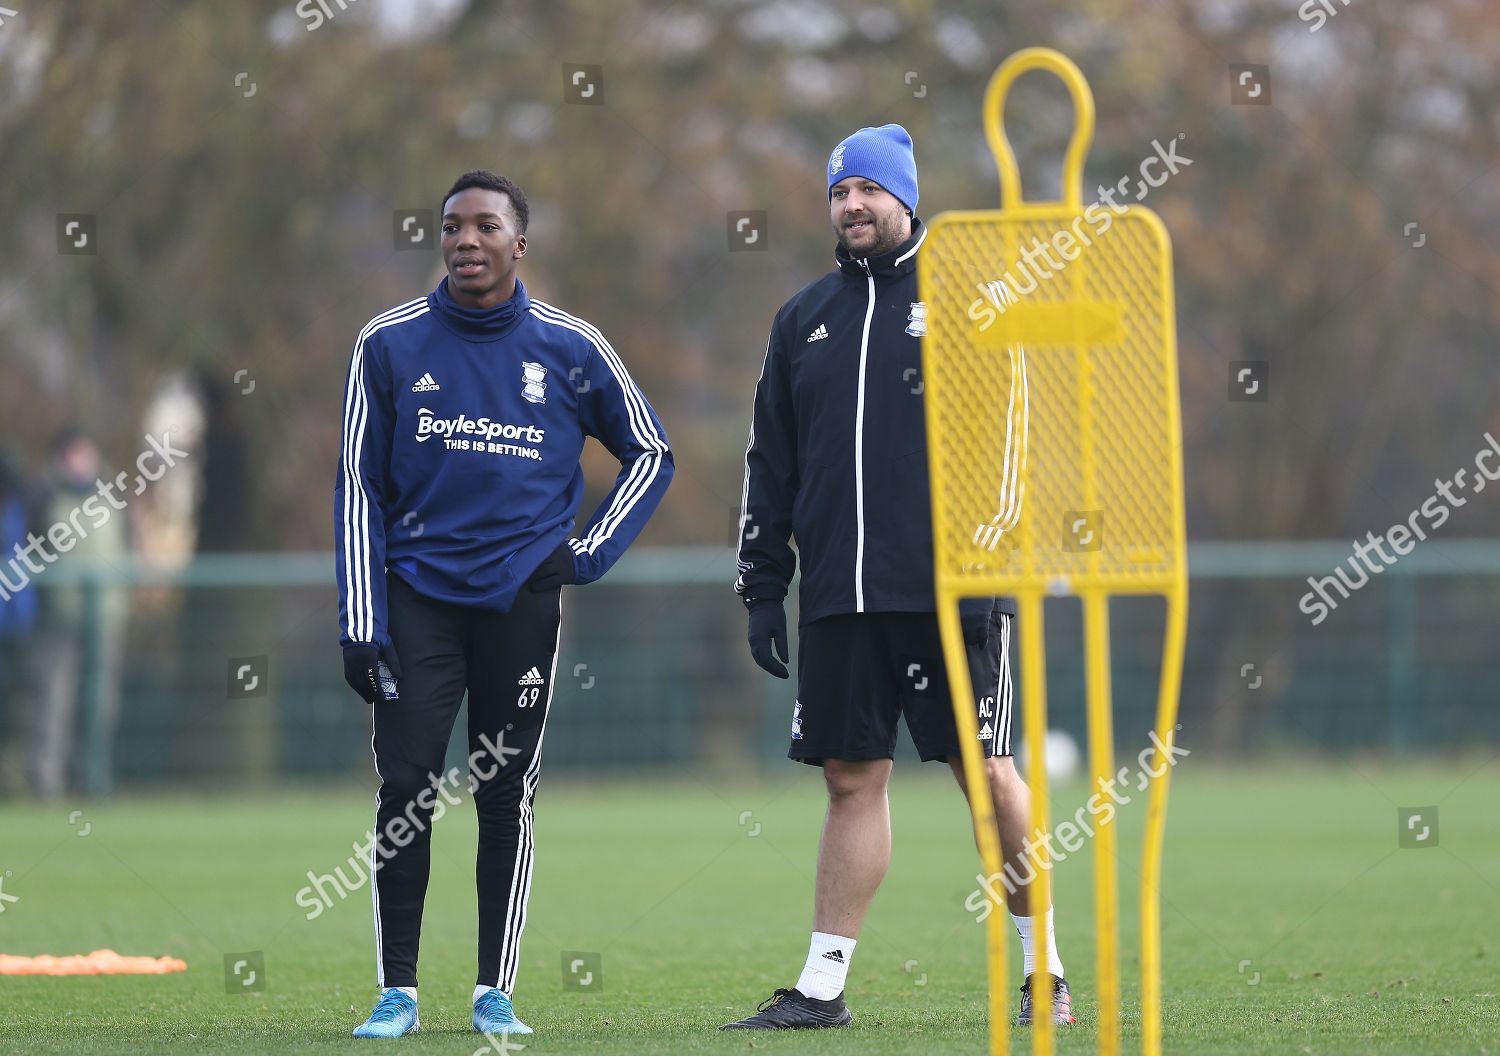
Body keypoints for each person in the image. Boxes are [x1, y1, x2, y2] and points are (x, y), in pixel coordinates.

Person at [726, 124, 1075, 1030]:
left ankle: (1046, 972)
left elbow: (1018, 435)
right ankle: (823, 989)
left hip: (953, 590)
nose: (852, 206)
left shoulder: (969, 295)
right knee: (850, 780)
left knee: (990, 774)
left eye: (869, 191)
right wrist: (764, 584)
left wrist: (988, 552)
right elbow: (771, 459)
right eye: (839, 193)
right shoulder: (802, 319)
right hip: (841, 593)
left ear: (905, 198)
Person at [335, 170, 673, 1038]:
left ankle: (495, 990)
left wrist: (585, 555)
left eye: (486, 226)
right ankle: (398, 991)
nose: (466, 240)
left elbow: (649, 451)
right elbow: (358, 490)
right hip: (416, 602)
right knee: (405, 779)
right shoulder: (388, 344)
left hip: (522, 602)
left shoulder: (569, 347)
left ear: (520, 244)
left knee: (502, 786)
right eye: (452, 227)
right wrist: (362, 623)